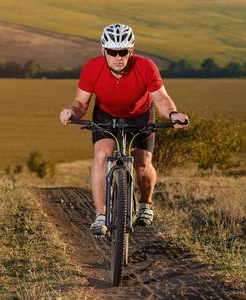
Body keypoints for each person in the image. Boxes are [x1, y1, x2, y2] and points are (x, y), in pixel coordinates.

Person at [59, 23, 189, 236]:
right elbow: (81, 104)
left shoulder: (146, 66)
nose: (118, 57)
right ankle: (101, 215)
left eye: (123, 52)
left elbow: (162, 98)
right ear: (103, 51)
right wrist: (71, 113)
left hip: (140, 116)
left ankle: (145, 204)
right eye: (112, 52)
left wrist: (174, 114)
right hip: (106, 116)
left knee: (142, 163)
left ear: (131, 50)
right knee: (102, 156)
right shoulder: (92, 68)